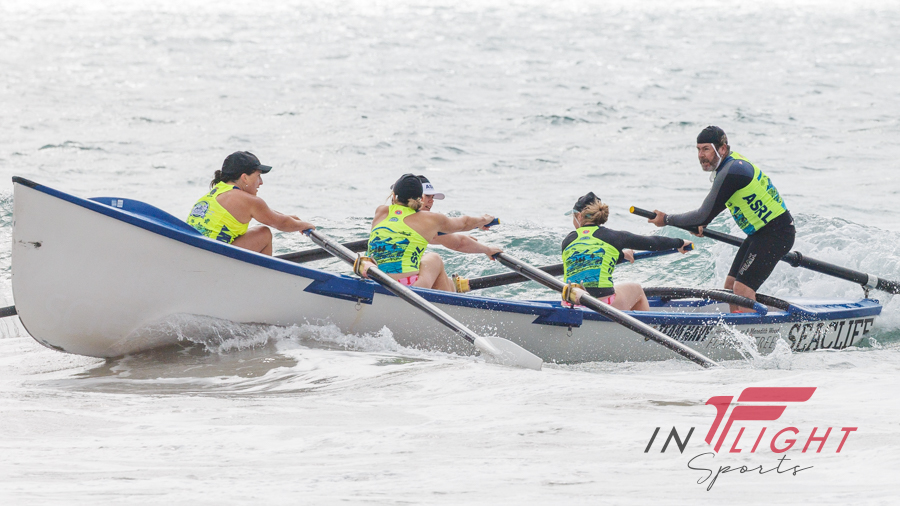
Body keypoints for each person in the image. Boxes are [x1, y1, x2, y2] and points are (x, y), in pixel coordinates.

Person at [648, 126, 796, 312]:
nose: (701, 155)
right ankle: (738, 324)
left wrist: (666, 219)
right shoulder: (729, 167)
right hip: (760, 234)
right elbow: (718, 203)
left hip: (777, 233)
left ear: (723, 149)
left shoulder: (733, 171)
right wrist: (703, 221)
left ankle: (751, 329)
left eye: (706, 149)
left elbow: (702, 213)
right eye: (698, 150)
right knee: (730, 287)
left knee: (742, 290)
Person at [362, 173, 500, 291]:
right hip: (405, 289)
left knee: (418, 260)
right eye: (428, 197)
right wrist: (483, 221)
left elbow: (457, 240)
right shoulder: (430, 221)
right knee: (434, 259)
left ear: (393, 195)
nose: (431, 202)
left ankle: (452, 286)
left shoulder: (381, 211)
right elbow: (464, 225)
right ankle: (451, 300)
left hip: (371, 280)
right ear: (420, 199)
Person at [563, 192, 692, 311]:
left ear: (579, 216)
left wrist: (621, 255)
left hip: (570, 304)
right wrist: (679, 243)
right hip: (605, 305)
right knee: (637, 289)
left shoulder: (567, 241)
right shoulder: (614, 237)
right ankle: (647, 328)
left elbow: (587, 259)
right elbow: (653, 243)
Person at [187, 151, 315, 255]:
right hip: (212, 257)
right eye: (258, 176)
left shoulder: (217, 192)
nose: (261, 182)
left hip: (196, 253)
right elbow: (281, 223)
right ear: (244, 178)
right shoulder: (248, 200)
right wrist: (305, 225)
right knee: (263, 233)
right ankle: (263, 277)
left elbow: (268, 213)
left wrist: (290, 218)